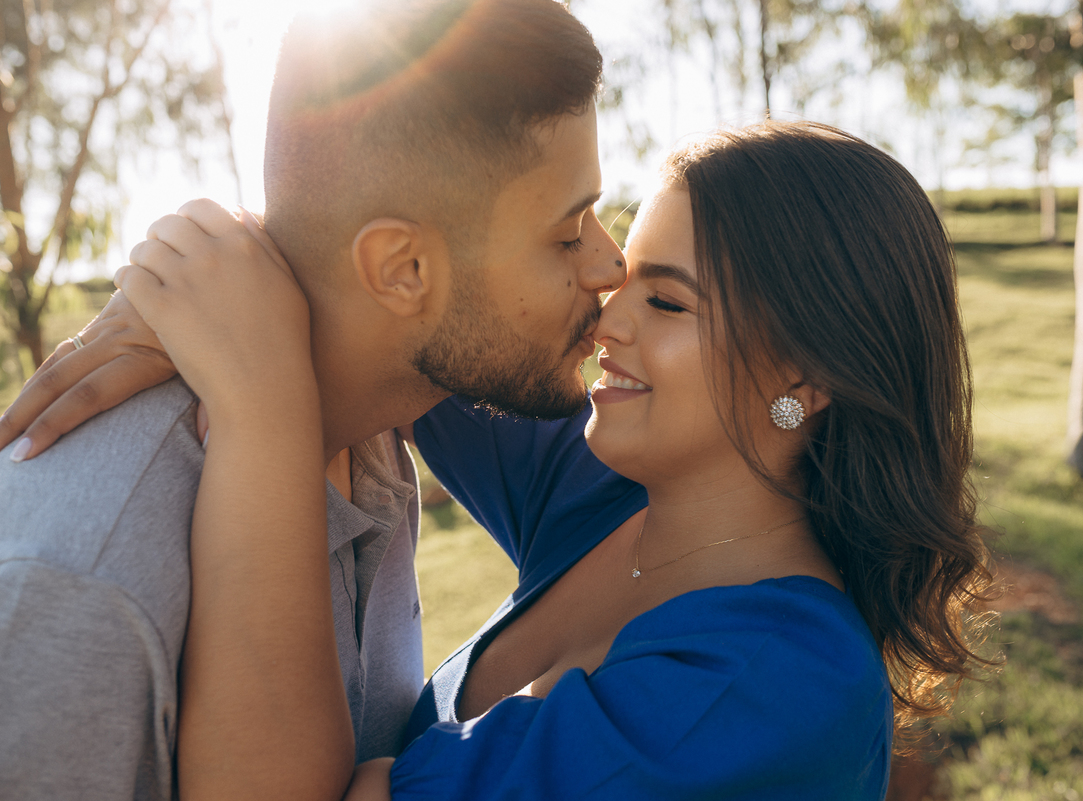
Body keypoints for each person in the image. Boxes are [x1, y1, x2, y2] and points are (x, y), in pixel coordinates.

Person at [74, 121, 996, 798]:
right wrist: (196, 287)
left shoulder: (772, 687)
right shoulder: (604, 490)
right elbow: (398, 309)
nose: (606, 321)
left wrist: (259, 403)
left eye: (667, 304)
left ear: (812, 373)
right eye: (618, 280)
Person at [0, 1, 626, 797]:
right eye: (568, 232)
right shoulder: (84, 581)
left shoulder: (377, 426)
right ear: (402, 271)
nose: (612, 265)